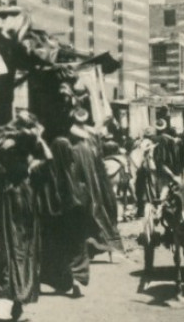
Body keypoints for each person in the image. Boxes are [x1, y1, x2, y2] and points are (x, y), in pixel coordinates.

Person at [0, 114, 52, 322]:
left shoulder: (27, 168)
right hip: (14, 208)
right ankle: (18, 300)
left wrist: (36, 137)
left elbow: (48, 157)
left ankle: (19, 301)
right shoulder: (12, 167)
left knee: (22, 253)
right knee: (16, 253)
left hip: (24, 209)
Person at [40, 136, 91, 297]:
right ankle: (76, 280)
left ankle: (50, 281)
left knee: (53, 250)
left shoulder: (47, 170)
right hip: (75, 217)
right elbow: (84, 192)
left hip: (53, 219)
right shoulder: (74, 169)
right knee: (77, 249)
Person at [68, 109, 122, 256]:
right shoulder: (93, 138)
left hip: (82, 182)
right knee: (101, 203)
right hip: (97, 178)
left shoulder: (75, 149)